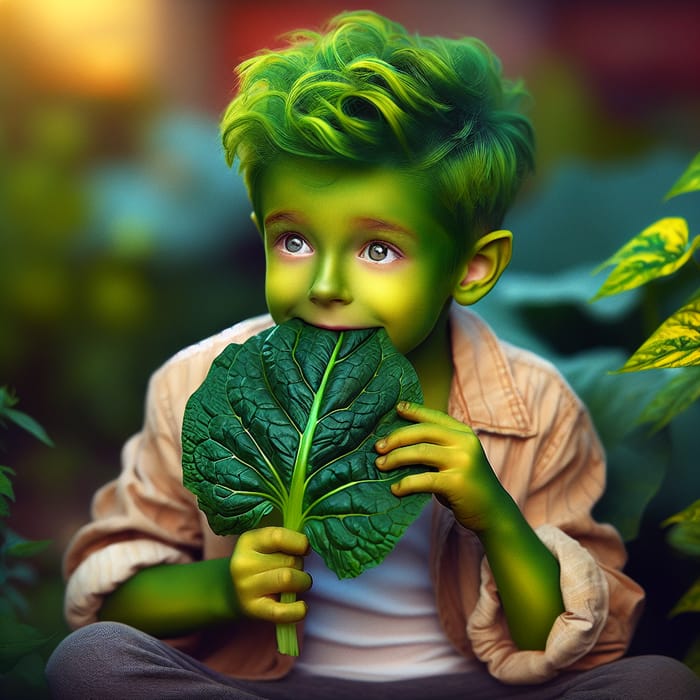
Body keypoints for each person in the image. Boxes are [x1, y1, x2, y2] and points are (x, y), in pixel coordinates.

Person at [46, 10, 700, 699]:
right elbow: (113, 595)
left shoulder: (534, 403)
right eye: (294, 242)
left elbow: (577, 643)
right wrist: (222, 587)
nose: (326, 286)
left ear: (474, 268)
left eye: (378, 250)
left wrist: (495, 514)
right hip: (272, 688)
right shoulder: (196, 384)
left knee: (655, 684)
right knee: (91, 659)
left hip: (469, 691)